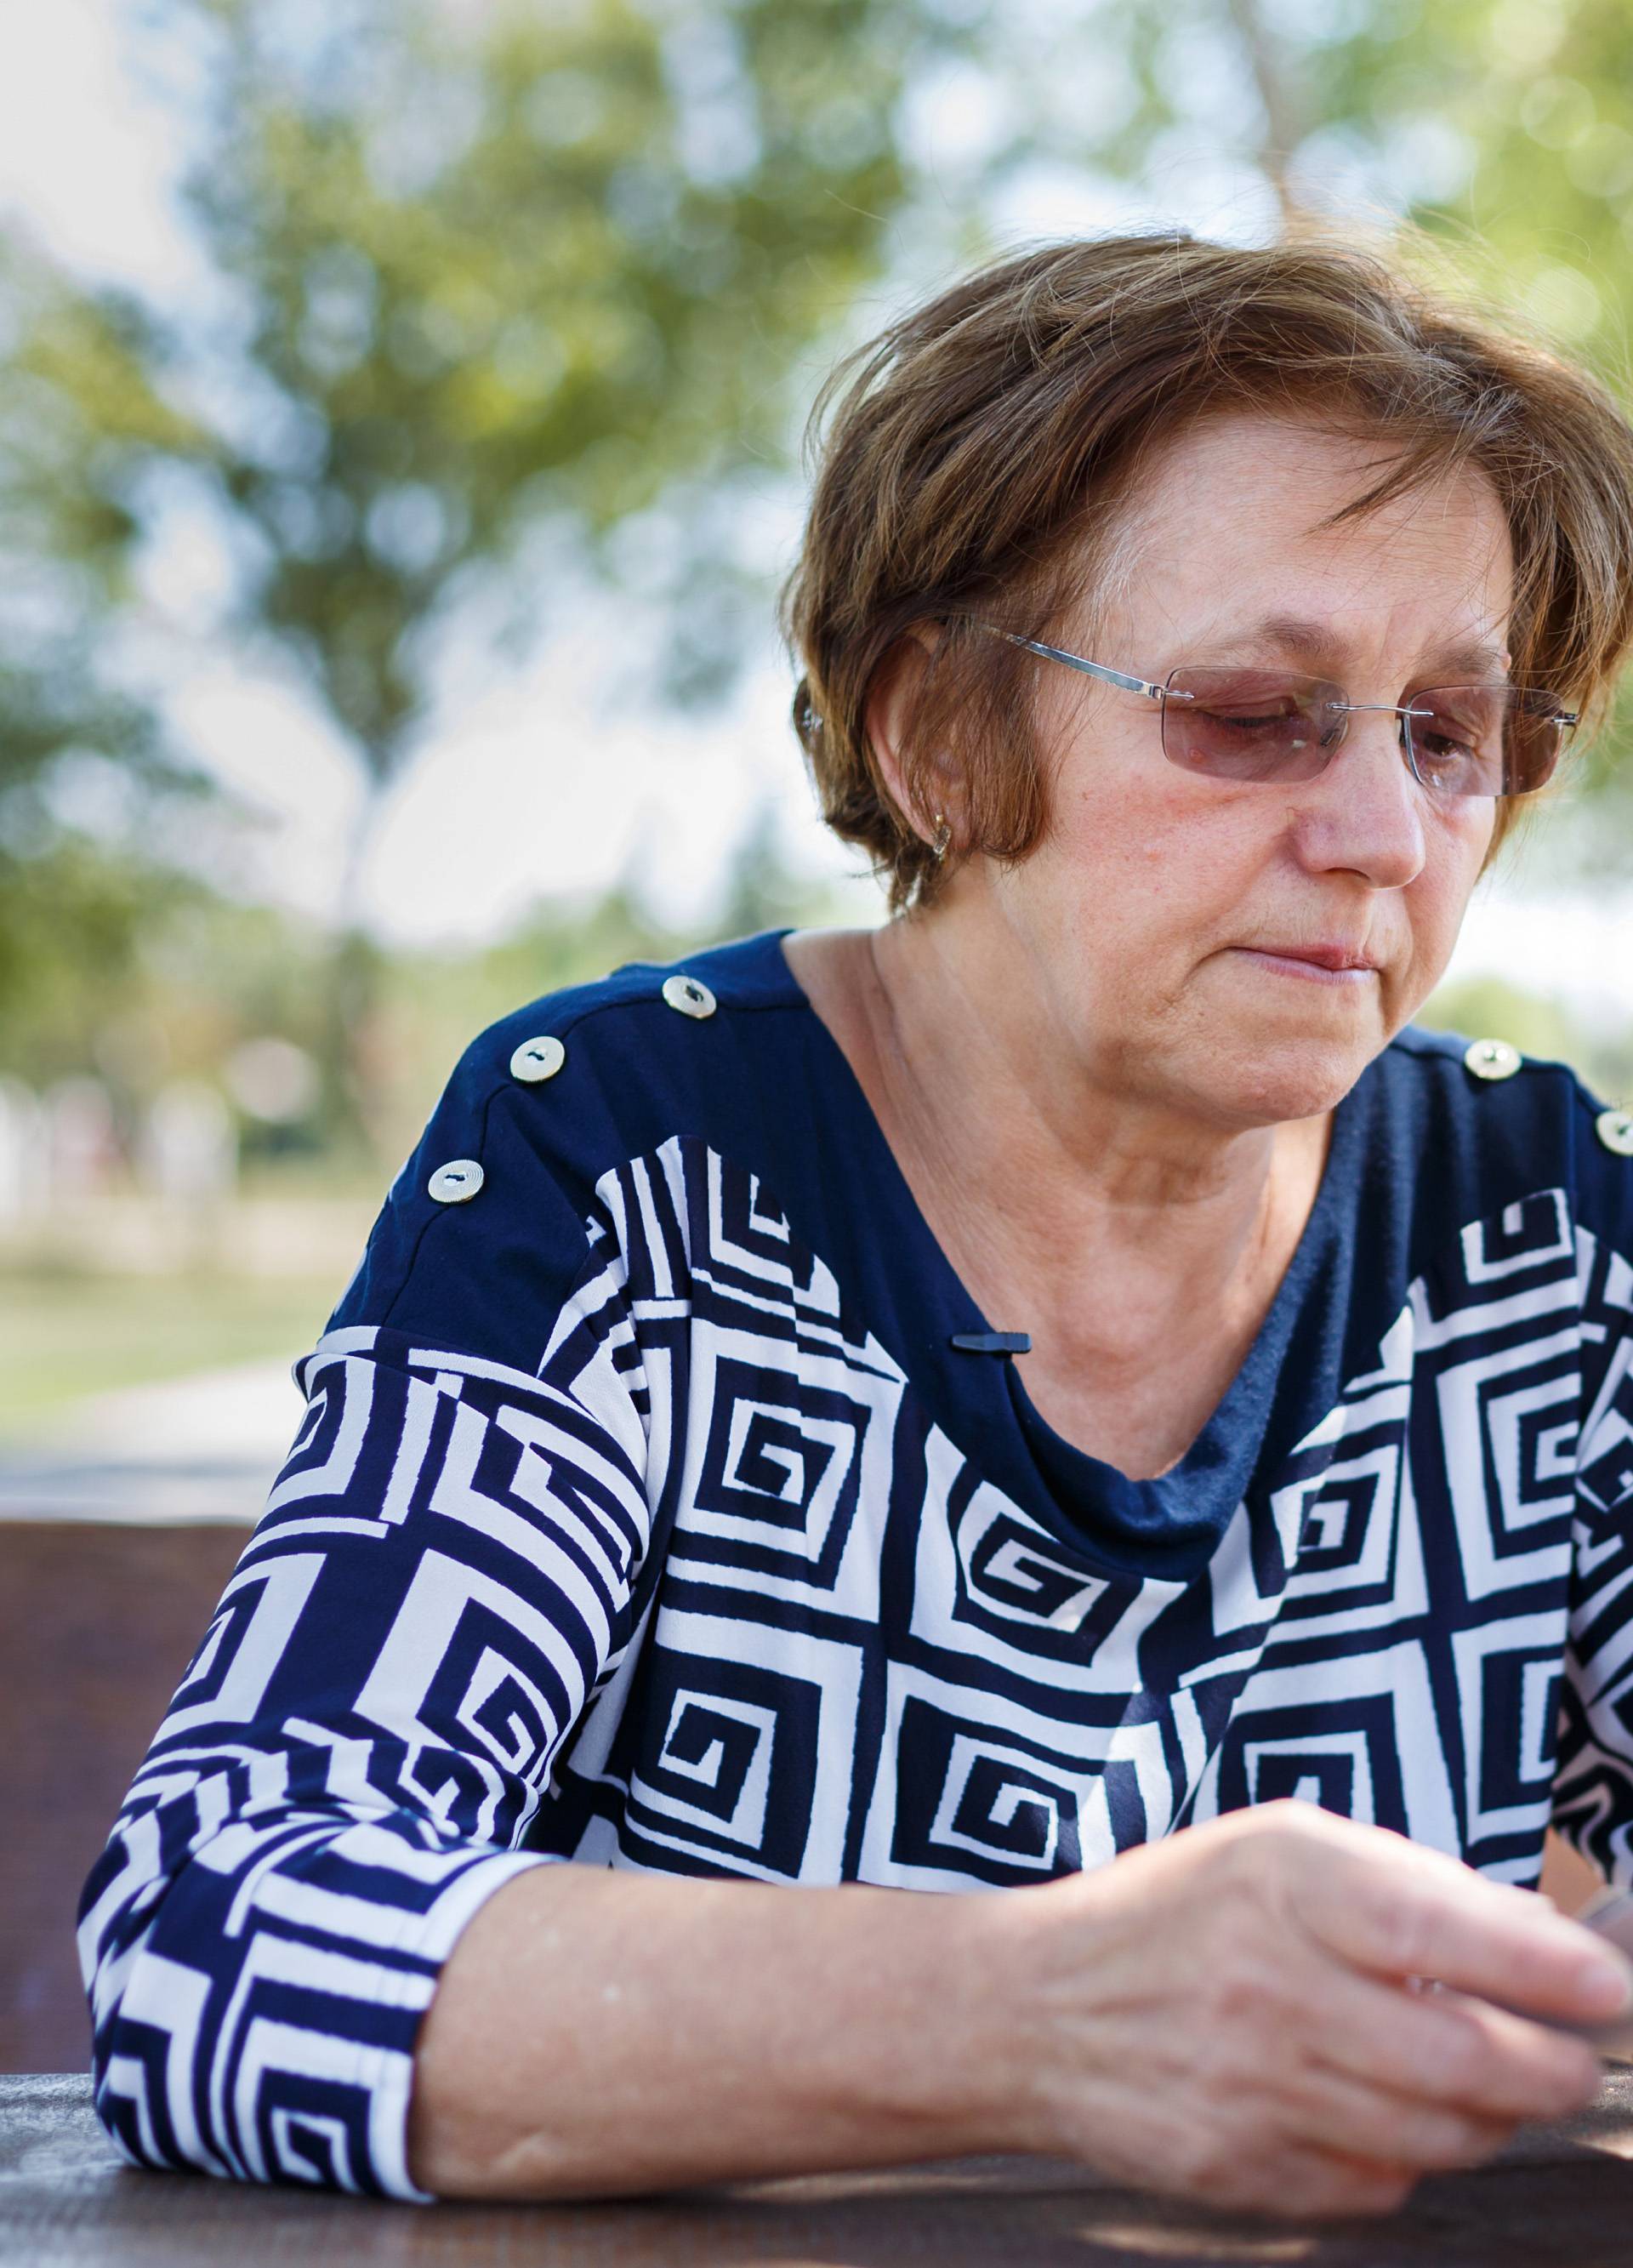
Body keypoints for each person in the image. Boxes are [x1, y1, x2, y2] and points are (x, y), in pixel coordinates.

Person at [77, 230, 1633, 2224]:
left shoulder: (1543, 1224)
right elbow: (222, 1923)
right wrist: (1046, 2011)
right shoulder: (633, 1159)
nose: (1390, 835)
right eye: (1255, 709)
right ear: (942, 735)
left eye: (1450, 731)